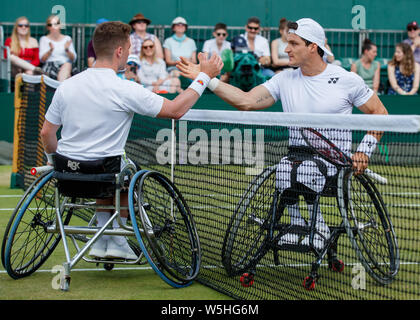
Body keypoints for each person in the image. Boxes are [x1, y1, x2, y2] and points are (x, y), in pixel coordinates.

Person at [177, 18, 388, 250]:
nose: (286, 48)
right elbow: (246, 101)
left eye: (293, 43)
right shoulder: (284, 79)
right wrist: (207, 79)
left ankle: (319, 228)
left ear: (312, 47)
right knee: (284, 170)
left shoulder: (347, 80)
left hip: (335, 163)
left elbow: (379, 112)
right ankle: (297, 224)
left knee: (302, 169)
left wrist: (364, 152)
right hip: (296, 158)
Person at [40, 21, 222, 260]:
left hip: (68, 176)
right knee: (126, 169)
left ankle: (103, 240)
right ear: (119, 51)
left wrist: (56, 165)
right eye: (128, 49)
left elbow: (46, 133)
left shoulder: (66, 87)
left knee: (111, 166)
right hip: (105, 172)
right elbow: (176, 110)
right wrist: (204, 77)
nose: (129, 53)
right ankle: (115, 237)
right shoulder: (125, 89)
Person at [39, 15, 77, 81]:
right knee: (68, 76)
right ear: (48, 27)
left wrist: (67, 50)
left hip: (66, 65)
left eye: (56, 24)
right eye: (50, 25)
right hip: (50, 66)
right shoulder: (44, 39)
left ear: (60, 25)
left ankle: (60, 86)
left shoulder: (67, 38)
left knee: (67, 65)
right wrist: (50, 50)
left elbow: (73, 58)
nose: (53, 27)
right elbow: (42, 59)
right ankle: (61, 87)